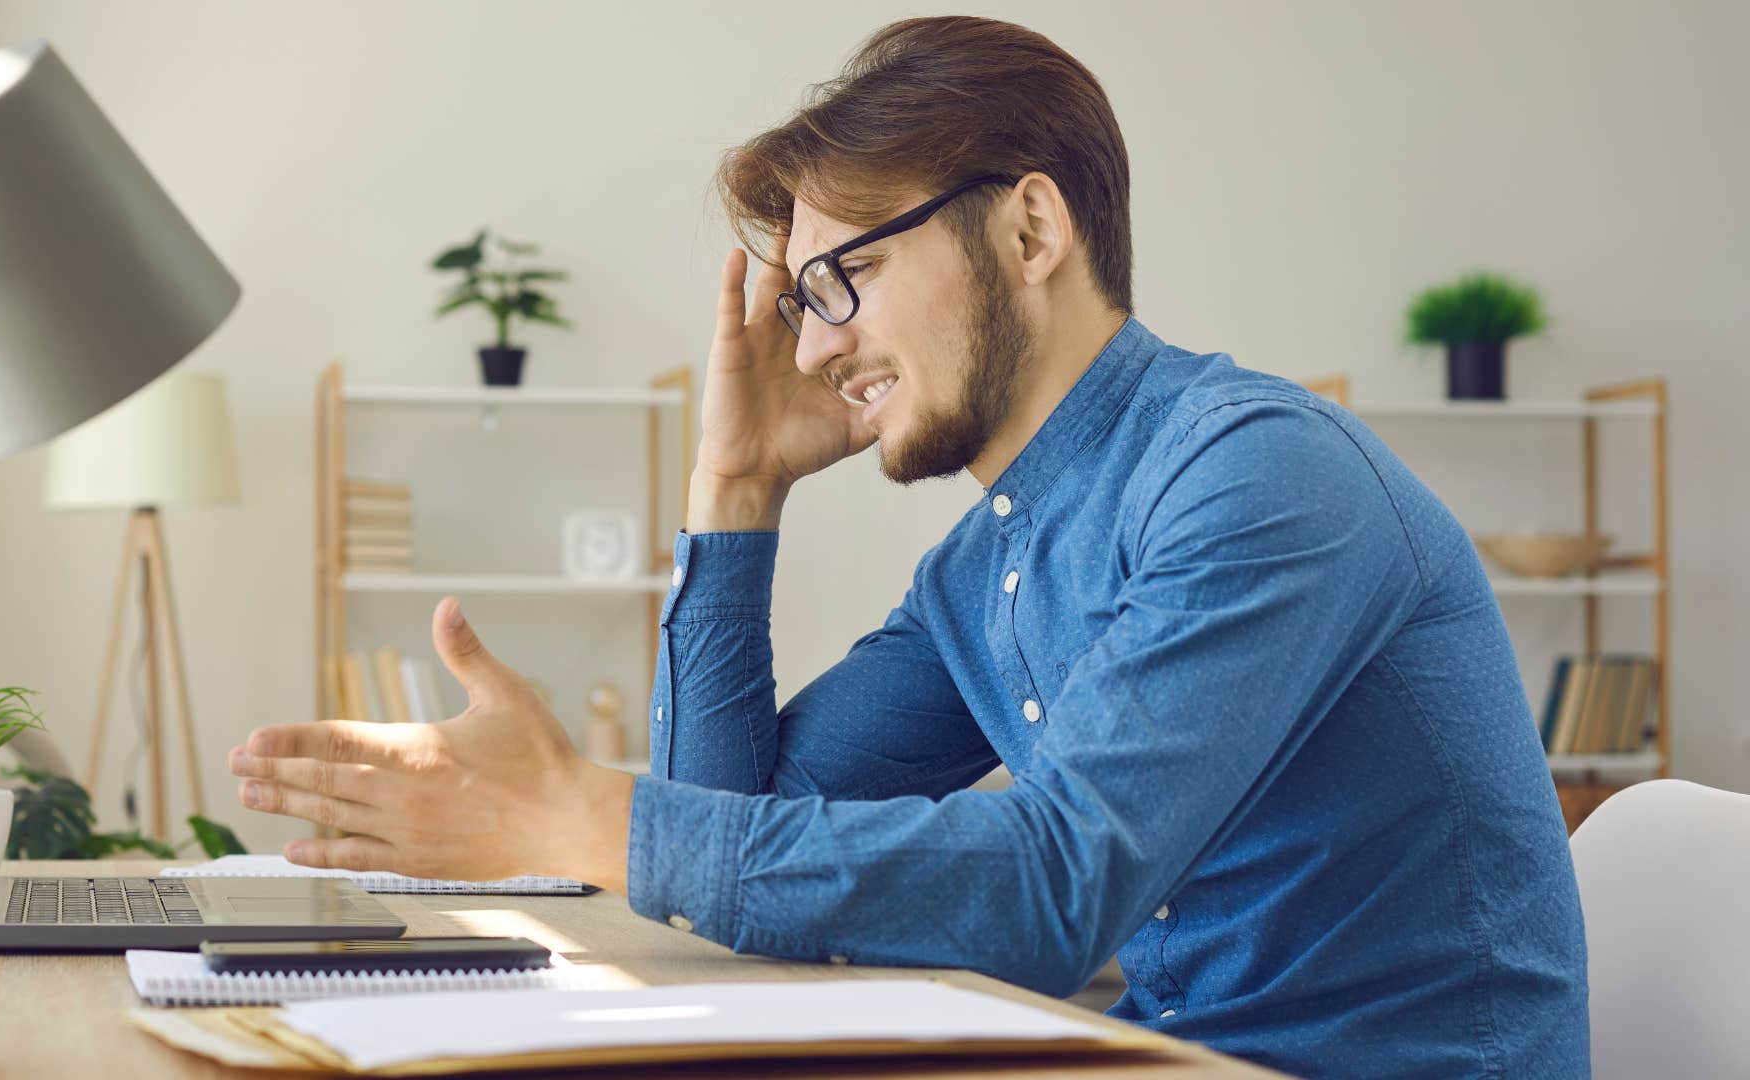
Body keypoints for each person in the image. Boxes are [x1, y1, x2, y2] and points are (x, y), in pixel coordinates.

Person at [228, 16, 1589, 1077]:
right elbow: (736, 838)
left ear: (1031, 226)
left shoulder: (1260, 478)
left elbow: (1056, 885)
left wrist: (580, 812)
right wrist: (737, 484)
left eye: (847, 279)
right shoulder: (983, 566)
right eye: (803, 299)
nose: (814, 346)